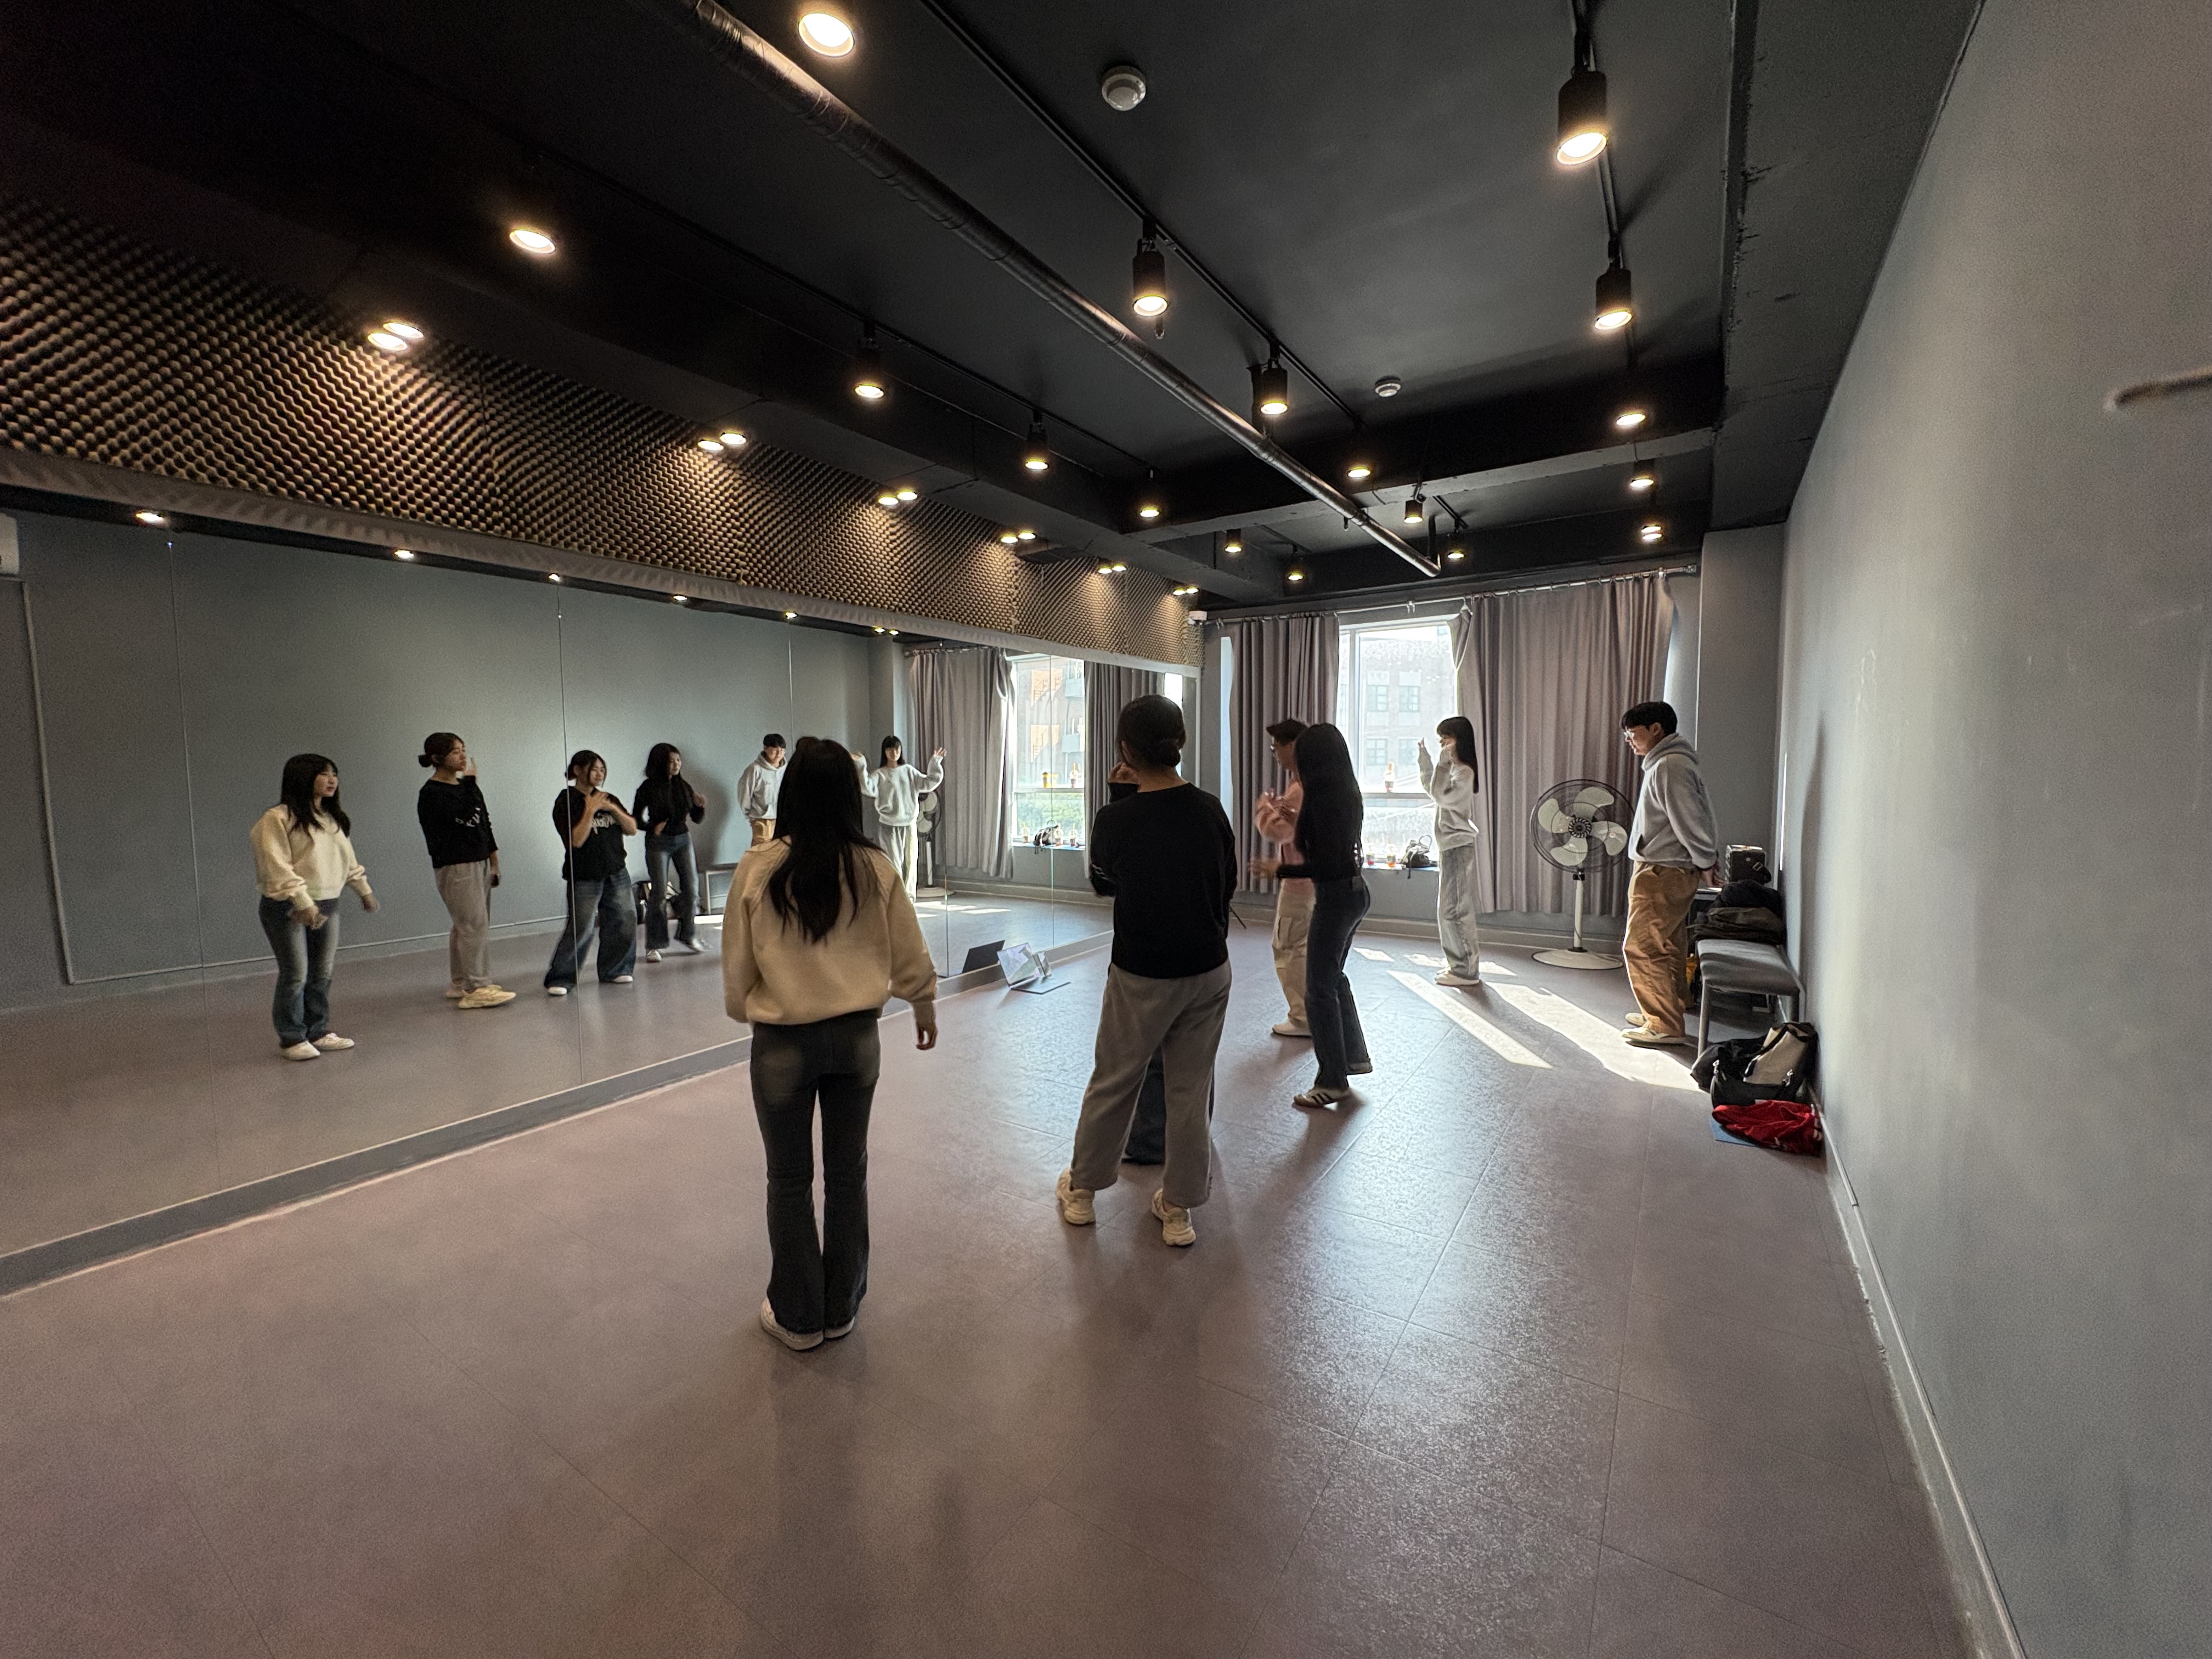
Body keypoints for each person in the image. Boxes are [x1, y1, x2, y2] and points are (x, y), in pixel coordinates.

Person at [723, 736, 938, 1350]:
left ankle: (798, 1316)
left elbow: (738, 967)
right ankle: (841, 1306)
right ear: (850, 794)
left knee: (789, 1179)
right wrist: (922, 1000)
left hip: (782, 1045)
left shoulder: (759, 867)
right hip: (856, 1039)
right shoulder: (874, 866)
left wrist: (749, 1009)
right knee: (848, 1174)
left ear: (790, 792)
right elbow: (909, 948)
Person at [1056, 696, 1237, 1248]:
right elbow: (1225, 885)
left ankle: (1082, 1192)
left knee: (1115, 1081)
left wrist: (1120, 797)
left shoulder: (1117, 818)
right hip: (1208, 970)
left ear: (1125, 750)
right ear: (1180, 741)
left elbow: (1105, 881)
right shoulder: (1210, 809)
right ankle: (1179, 1209)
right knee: (1190, 1091)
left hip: (1142, 973)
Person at [1252, 723, 1372, 1108]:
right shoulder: (1346, 793)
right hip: (1354, 893)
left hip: (1335, 898)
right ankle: (1353, 1058)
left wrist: (1281, 869)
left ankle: (1332, 1080)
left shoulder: (1322, 802)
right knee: (1333, 979)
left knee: (1318, 988)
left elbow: (1325, 866)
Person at [251, 753, 378, 1060]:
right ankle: (292, 1037)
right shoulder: (277, 818)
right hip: (288, 907)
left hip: (328, 905)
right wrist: (303, 902)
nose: (332, 779)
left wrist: (364, 891)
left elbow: (347, 860)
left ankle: (317, 1031)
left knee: (322, 973)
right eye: (323, 773)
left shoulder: (331, 819)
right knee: (296, 973)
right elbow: (276, 866)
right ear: (303, 778)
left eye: (334, 773)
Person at [1618, 701, 1721, 1048]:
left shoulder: (1669, 766)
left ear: (1656, 729)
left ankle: (1663, 1023)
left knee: (1642, 946)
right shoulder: (1669, 763)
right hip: (1666, 866)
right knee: (1669, 943)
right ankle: (1669, 1008)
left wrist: (1706, 862)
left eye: (1633, 733)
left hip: (1664, 869)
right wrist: (1705, 861)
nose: (1629, 740)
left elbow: (1690, 821)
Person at [414, 733, 516, 1011]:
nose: (463, 756)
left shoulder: (467, 788)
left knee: (468, 925)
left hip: (478, 862)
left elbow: (484, 824)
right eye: (455, 752)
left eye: (463, 750)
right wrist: (471, 783)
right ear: (437, 758)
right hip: (455, 865)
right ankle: (478, 987)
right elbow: (461, 816)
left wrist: (494, 862)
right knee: (472, 925)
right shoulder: (432, 793)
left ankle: (460, 982)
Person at [544, 750, 638, 995]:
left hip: (616, 870)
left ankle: (616, 969)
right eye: (594, 769)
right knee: (582, 927)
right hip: (584, 874)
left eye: (602, 769)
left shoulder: (609, 798)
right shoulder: (567, 800)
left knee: (624, 919)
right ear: (577, 770)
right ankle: (561, 978)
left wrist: (612, 809)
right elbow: (575, 840)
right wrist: (590, 809)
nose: (599, 774)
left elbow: (632, 829)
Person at [1252, 717, 1313, 1039]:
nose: (1274, 753)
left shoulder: (1300, 788)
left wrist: (1264, 808)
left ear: (1293, 746)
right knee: (1299, 946)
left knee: (1289, 946)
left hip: (1300, 881)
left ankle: (1302, 1018)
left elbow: (1280, 831)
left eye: (1277, 746)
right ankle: (1308, 1014)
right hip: (1309, 879)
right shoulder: (1308, 783)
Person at [1417, 714, 1483, 987]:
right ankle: (1458, 964)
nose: (1443, 745)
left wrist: (1442, 763)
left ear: (1460, 741)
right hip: (1450, 847)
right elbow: (1433, 788)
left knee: (1455, 910)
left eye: (1447, 740)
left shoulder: (1464, 772)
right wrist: (1425, 760)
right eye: (1441, 741)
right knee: (1448, 909)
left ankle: (1466, 970)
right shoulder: (1454, 770)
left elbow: (1441, 796)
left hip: (1458, 846)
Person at [633, 742, 707, 962]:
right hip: (658, 843)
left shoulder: (683, 786)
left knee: (692, 888)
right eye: (671, 761)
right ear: (660, 763)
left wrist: (700, 806)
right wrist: (652, 828)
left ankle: (688, 935)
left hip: (683, 840)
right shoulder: (647, 788)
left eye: (678, 760)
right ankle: (654, 945)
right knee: (658, 893)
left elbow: (697, 819)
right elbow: (636, 819)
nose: (676, 765)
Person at [857, 736, 945, 895]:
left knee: (911, 862)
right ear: (884, 752)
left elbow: (929, 782)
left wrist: (935, 762)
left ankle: (909, 898)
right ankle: (896, 897)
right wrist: (860, 765)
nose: (894, 752)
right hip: (888, 825)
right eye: (890, 748)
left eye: (897, 748)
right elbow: (866, 787)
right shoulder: (880, 775)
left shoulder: (908, 771)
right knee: (893, 863)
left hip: (909, 823)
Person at [737, 734, 787, 850]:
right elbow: (745, 794)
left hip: (783, 819)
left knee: (781, 852)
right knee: (761, 852)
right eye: (775, 750)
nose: (779, 754)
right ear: (765, 748)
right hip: (763, 819)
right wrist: (752, 817)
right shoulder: (755, 769)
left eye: (782, 751)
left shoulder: (786, 769)